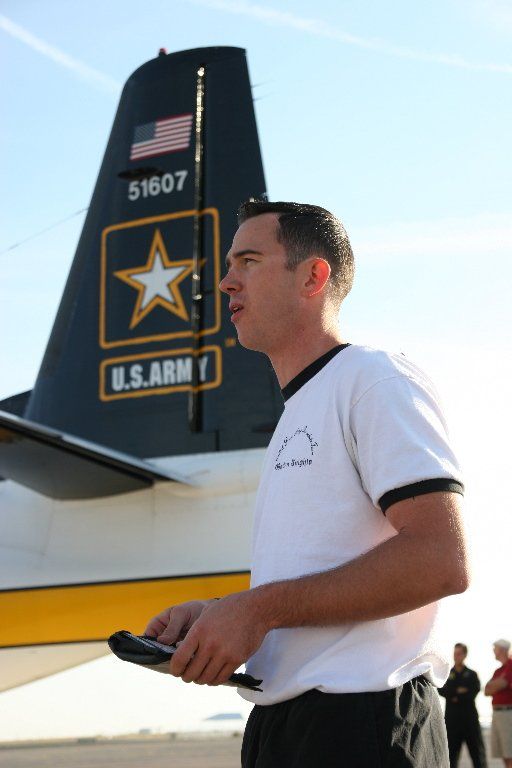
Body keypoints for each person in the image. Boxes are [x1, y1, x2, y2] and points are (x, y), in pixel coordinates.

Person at [145, 201, 469, 767]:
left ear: (313, 277)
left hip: (364, 725)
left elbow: (440, 559)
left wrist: (256, 611)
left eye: (248, 261)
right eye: (229, 265)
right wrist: (223, 612)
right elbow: (316, 580)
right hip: (286, 725)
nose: (225, 282)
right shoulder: (298, 413)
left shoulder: (373, 379)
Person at [439, 643, 487, 767]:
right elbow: (441, 690)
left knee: (477, 754)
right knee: (451, 756)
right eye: (455, 653)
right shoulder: (447, 674)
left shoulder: (472, 674)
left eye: (459, 653)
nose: (456, 656)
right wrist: (458, 691)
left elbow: (473, 692)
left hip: (470, 720)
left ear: (465, 655)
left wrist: (454, 694)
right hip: (452, 720)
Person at [484, 638, 512, 767]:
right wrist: (497, 684)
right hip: (497, 714)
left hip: (508, 713)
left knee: (509, 752)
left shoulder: (511, 664)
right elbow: (486, 690)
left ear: (502, 650)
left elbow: (503, 683)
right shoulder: (498, 671)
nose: (493, 652)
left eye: (495, 649)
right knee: (503, 752)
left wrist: (495, 685)